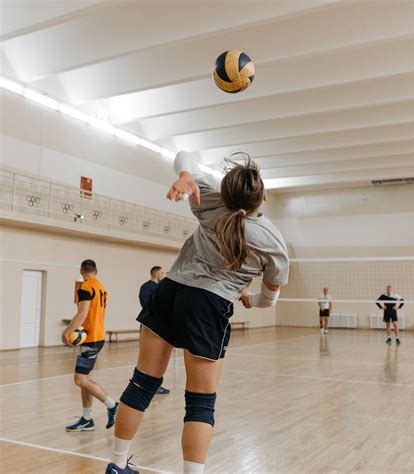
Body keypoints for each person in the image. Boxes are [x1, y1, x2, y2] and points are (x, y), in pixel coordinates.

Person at [105, 151, 289, 474]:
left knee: (141, 384)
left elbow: (183, 155)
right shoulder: (273, 241)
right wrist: (250, 299)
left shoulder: (210, 199)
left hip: (171, 291)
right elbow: (269, 300)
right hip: (209, 306)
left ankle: (117, 465)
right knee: (200, 403)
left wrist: (187, 175)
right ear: (263, 197)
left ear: (227, 190)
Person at [62, 259, 118, 432]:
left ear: (81, 270)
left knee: (80, 379)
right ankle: (87, 419)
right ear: (96, 270)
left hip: (91, 339)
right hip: (96, 336)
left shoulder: (85, 287)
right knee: (84, 379)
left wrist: (66, 332)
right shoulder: (101, 287)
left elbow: (82, 313)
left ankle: (112, 405)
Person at [138, 266, 170, 395]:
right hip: (150, 327)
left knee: (158, 359)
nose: (163, 275)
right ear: (156, 274)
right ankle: (147, 386)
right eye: (162, 273)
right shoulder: (146, 287)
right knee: (149, 358)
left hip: (161, 327)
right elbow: (148, 305)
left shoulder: (161, 287)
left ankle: (154, 385)